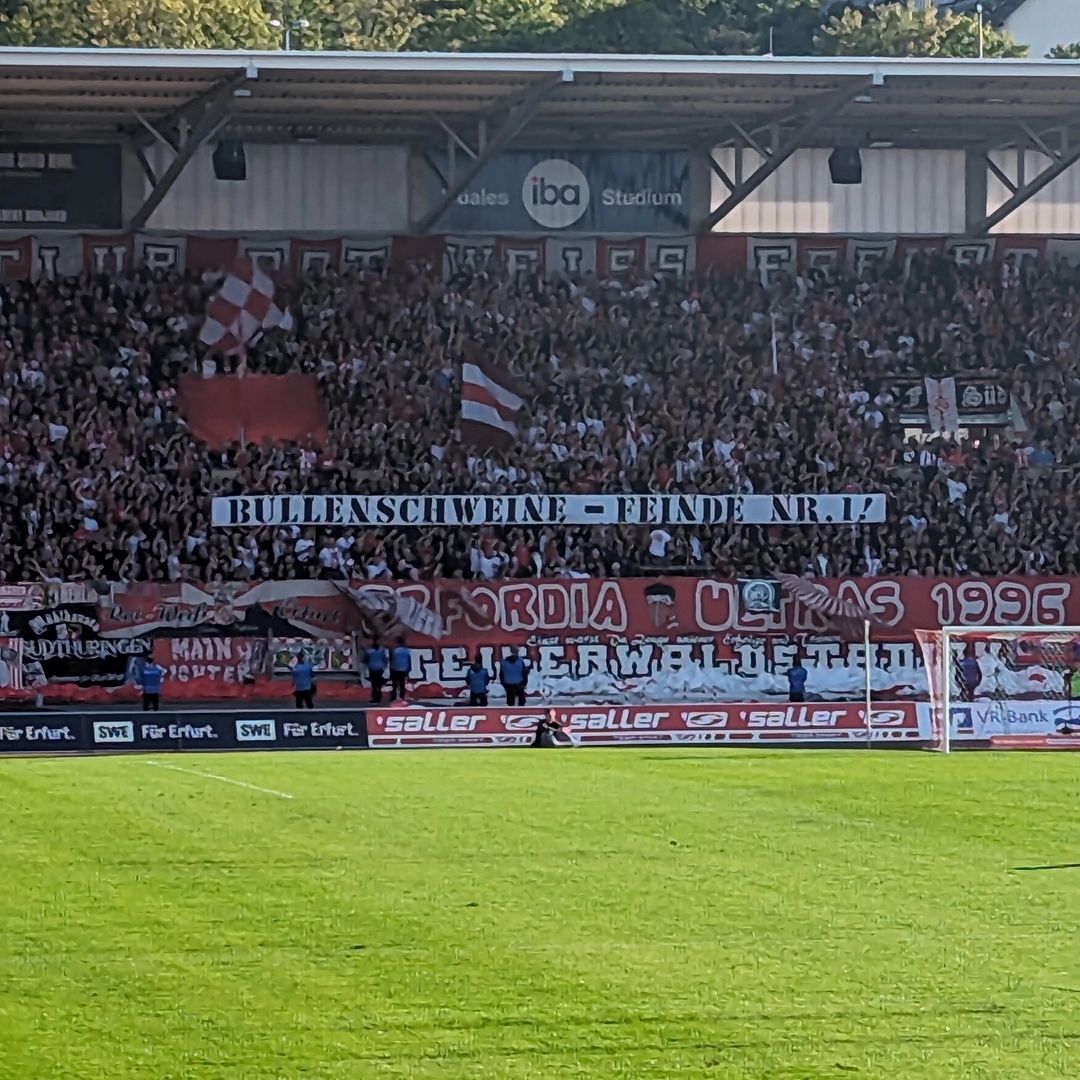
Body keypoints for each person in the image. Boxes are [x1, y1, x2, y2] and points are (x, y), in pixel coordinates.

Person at [365, 636, 388, 705]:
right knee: (378, 683)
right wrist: (384, 665)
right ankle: (379, 696)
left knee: (374, 684)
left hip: (372, 668)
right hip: (379, 668)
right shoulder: (382, 650)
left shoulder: (369, 651)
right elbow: (384, 659)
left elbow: (366, 659)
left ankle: (375, 697)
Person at [389, 635, 411, 703]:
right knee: (402, 684)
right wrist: (408, 669)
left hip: (395, 668)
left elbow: (391, 659)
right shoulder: (407, 651)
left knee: (394, 684)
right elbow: (409, 660)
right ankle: (402, 697)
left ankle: (393, 697)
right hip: (403, 669)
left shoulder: (394, 650)